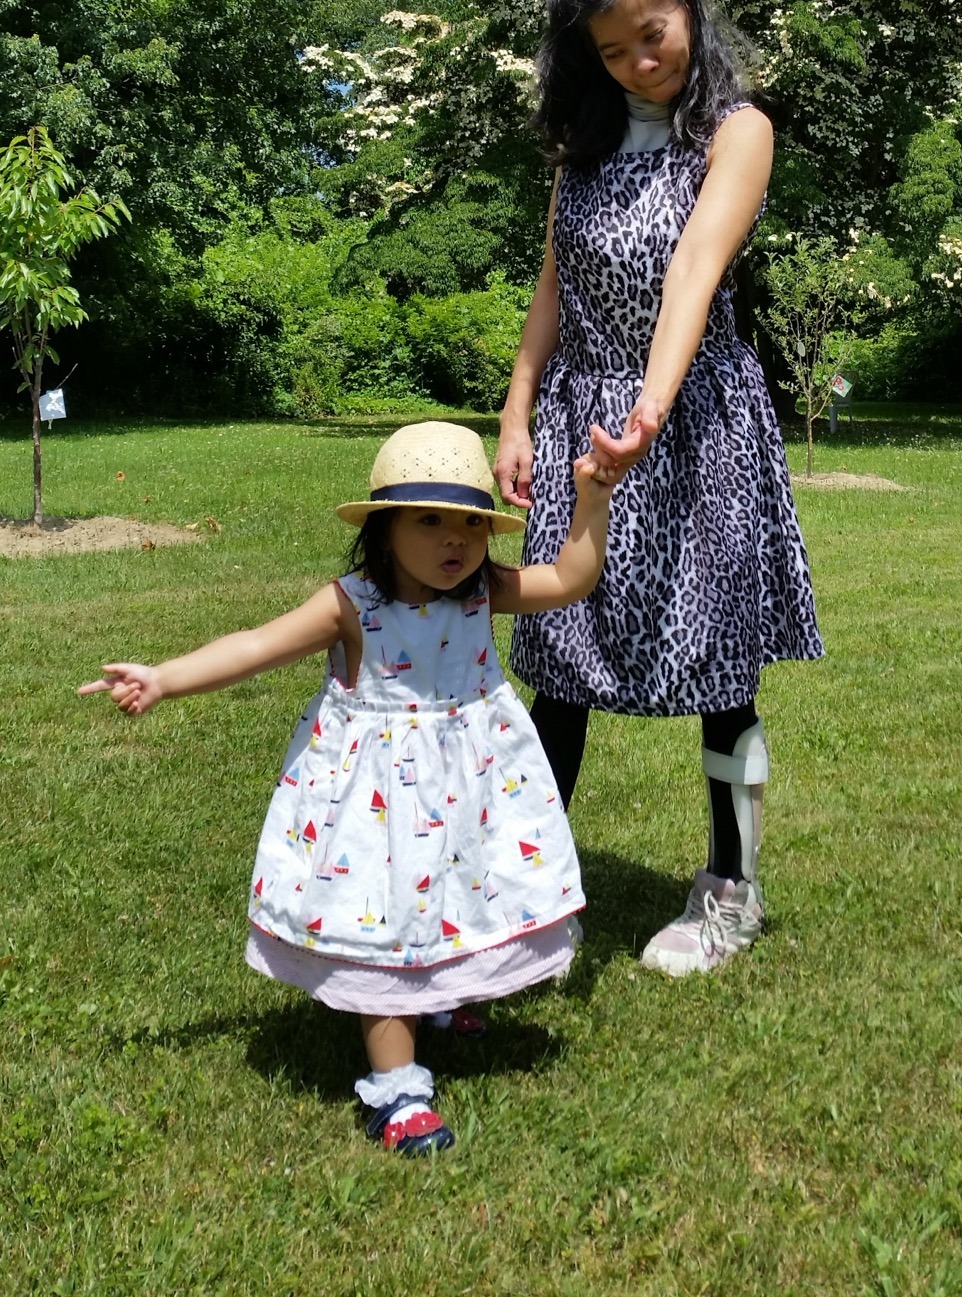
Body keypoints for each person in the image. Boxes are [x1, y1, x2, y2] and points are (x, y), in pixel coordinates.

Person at [79, 422, 614, 1157]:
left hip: (475, 787)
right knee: (386, 924)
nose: (455, 541)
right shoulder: (352, 605)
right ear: (383, 530)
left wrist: (592, 500)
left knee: (468, 889)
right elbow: (258, 645)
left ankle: (448, 994)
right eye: (429, 521)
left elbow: (570, 579)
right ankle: (397, 1088)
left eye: (470, 524)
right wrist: (164, 678)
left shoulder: (483, 591)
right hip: (381, 801)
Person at [495, 0, 823, 978]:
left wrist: (648, 409)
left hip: (696, 426)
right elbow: (551, 293)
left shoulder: (737, 130)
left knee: (720, 666)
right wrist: (516, 412)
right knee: (561, 660)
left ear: (687, 0)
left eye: (654, 32)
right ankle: (527, 889)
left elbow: (694, 268)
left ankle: (732, 889)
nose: (642, 61)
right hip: (582, 422)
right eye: (614, 50)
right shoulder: (580, 155)